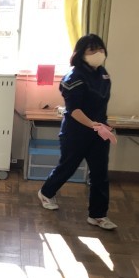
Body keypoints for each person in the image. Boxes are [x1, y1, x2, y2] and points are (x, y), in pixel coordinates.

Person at [37, 33, 117, 230]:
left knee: (100, 173)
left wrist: (101, 125)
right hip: (76, 131)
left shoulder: (103, 74)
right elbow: (74, 110)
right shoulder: (73, 78)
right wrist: (93, 124)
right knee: (68, 166)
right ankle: (46, 192)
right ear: (81, 53)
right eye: (92, 49)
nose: (98, 53)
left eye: (100, 48)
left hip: (99, 130)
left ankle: (98, 215)